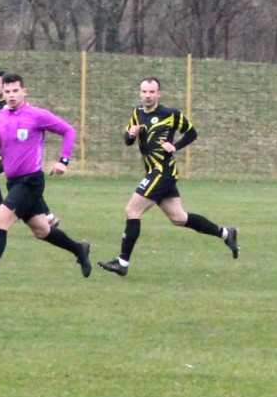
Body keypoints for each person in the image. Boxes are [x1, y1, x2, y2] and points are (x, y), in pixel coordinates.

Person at [0, 73, 91, 295]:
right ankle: (79, 249)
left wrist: (64, 161)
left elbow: (68, 130)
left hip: (31, 182)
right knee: (42, 230)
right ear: (3, 94)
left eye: (15, 91)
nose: (11, 95)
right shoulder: (0, 116)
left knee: (0, 221)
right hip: (13, 183)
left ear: (24, 92)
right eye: (7, 92)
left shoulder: (36, 115)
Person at [98, 77, 238, 276]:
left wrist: (175, 146)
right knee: (179, 218)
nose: (147, 96)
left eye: (151, 92)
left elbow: (192, 133)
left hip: (162, 172)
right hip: (154, 171)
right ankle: (225, 233)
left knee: (132, 210)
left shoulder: (170, 114)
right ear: (140, 93)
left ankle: (122, 263)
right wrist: (130, 135)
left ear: (159, 94)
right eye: (144, 92)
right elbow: (128, 141)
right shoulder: (137, 113)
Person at [0, 69, 58, 226]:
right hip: (4, 149)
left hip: (14, 151)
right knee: (23, 182)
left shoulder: (14, 105)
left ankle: (6, 211)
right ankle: (47, 215)